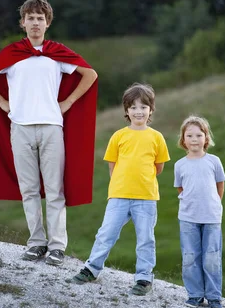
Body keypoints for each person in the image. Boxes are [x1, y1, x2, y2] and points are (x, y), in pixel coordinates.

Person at [0, 0, 98, 267]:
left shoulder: (56, 54)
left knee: (55, 189)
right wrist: (2, 102)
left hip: (51, 127)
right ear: (22, 23)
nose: (35, 23)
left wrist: (68, 102)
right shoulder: (13, 55)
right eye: (31, 18)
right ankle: (36, 243)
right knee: (29, 189)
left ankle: (57, 246)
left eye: (40, 18)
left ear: (47, 23)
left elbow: (90, 74)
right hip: (21, 128)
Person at [68, 83, 170, 295]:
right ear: (126, 110)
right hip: (119, 196)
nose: (138, 111)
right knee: (106, 234)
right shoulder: (118, 136)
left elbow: (158, 168)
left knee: (145, 239)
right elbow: (112, 166)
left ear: (151, 109)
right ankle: (91, 269)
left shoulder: (157, 137)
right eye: (133, 107)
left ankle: (143, 278)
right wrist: (121, 185)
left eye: (143, 107)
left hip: (146, 197)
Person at [173, 115, 225, 308]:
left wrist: (213, 205)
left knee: (211, 257)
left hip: (212, 217)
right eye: (190, 135)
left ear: (206, 138)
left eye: (199, 135)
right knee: (190, 257)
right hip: (188, 219)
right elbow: (181, 188)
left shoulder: (214, 161)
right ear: (183, 140)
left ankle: (214, 297)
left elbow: (220, 186)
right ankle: (195, 295)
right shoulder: (180, 165)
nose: (194, 139)